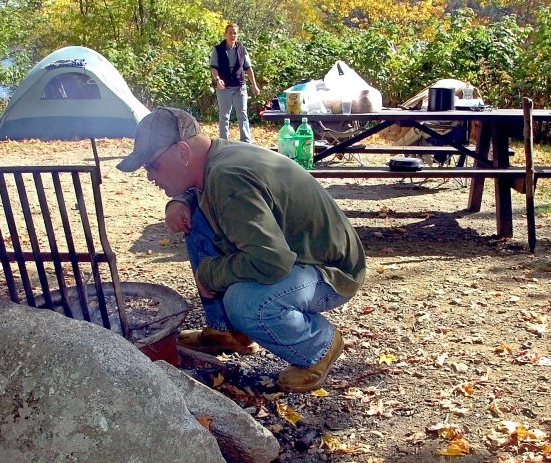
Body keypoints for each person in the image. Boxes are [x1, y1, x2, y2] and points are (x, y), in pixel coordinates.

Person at [116, 107, 366, 393]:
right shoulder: (216, 157)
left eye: (152, 166)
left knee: (245, 302)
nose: (149, 177)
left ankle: (318, 344)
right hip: (300, 254)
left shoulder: (226, 178)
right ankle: (226, 332)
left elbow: (271, 261)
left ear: (183, 153)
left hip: (331, 271)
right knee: (195, 219)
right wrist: (181, 200)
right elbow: (202, 189)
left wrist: (211, 273)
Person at [210, 23, 260, 143]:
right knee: (224, 116)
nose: (232, 35)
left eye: (235, 33)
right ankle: (223, 142)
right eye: (230, 33)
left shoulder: (242, 49)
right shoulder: (218, 49)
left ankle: (246, 142)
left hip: (239, 86)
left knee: (242, 114)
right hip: (224, 87)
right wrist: (217, 79)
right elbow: (213, 67)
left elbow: (248, 68)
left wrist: (254, 85)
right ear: (225, 34)